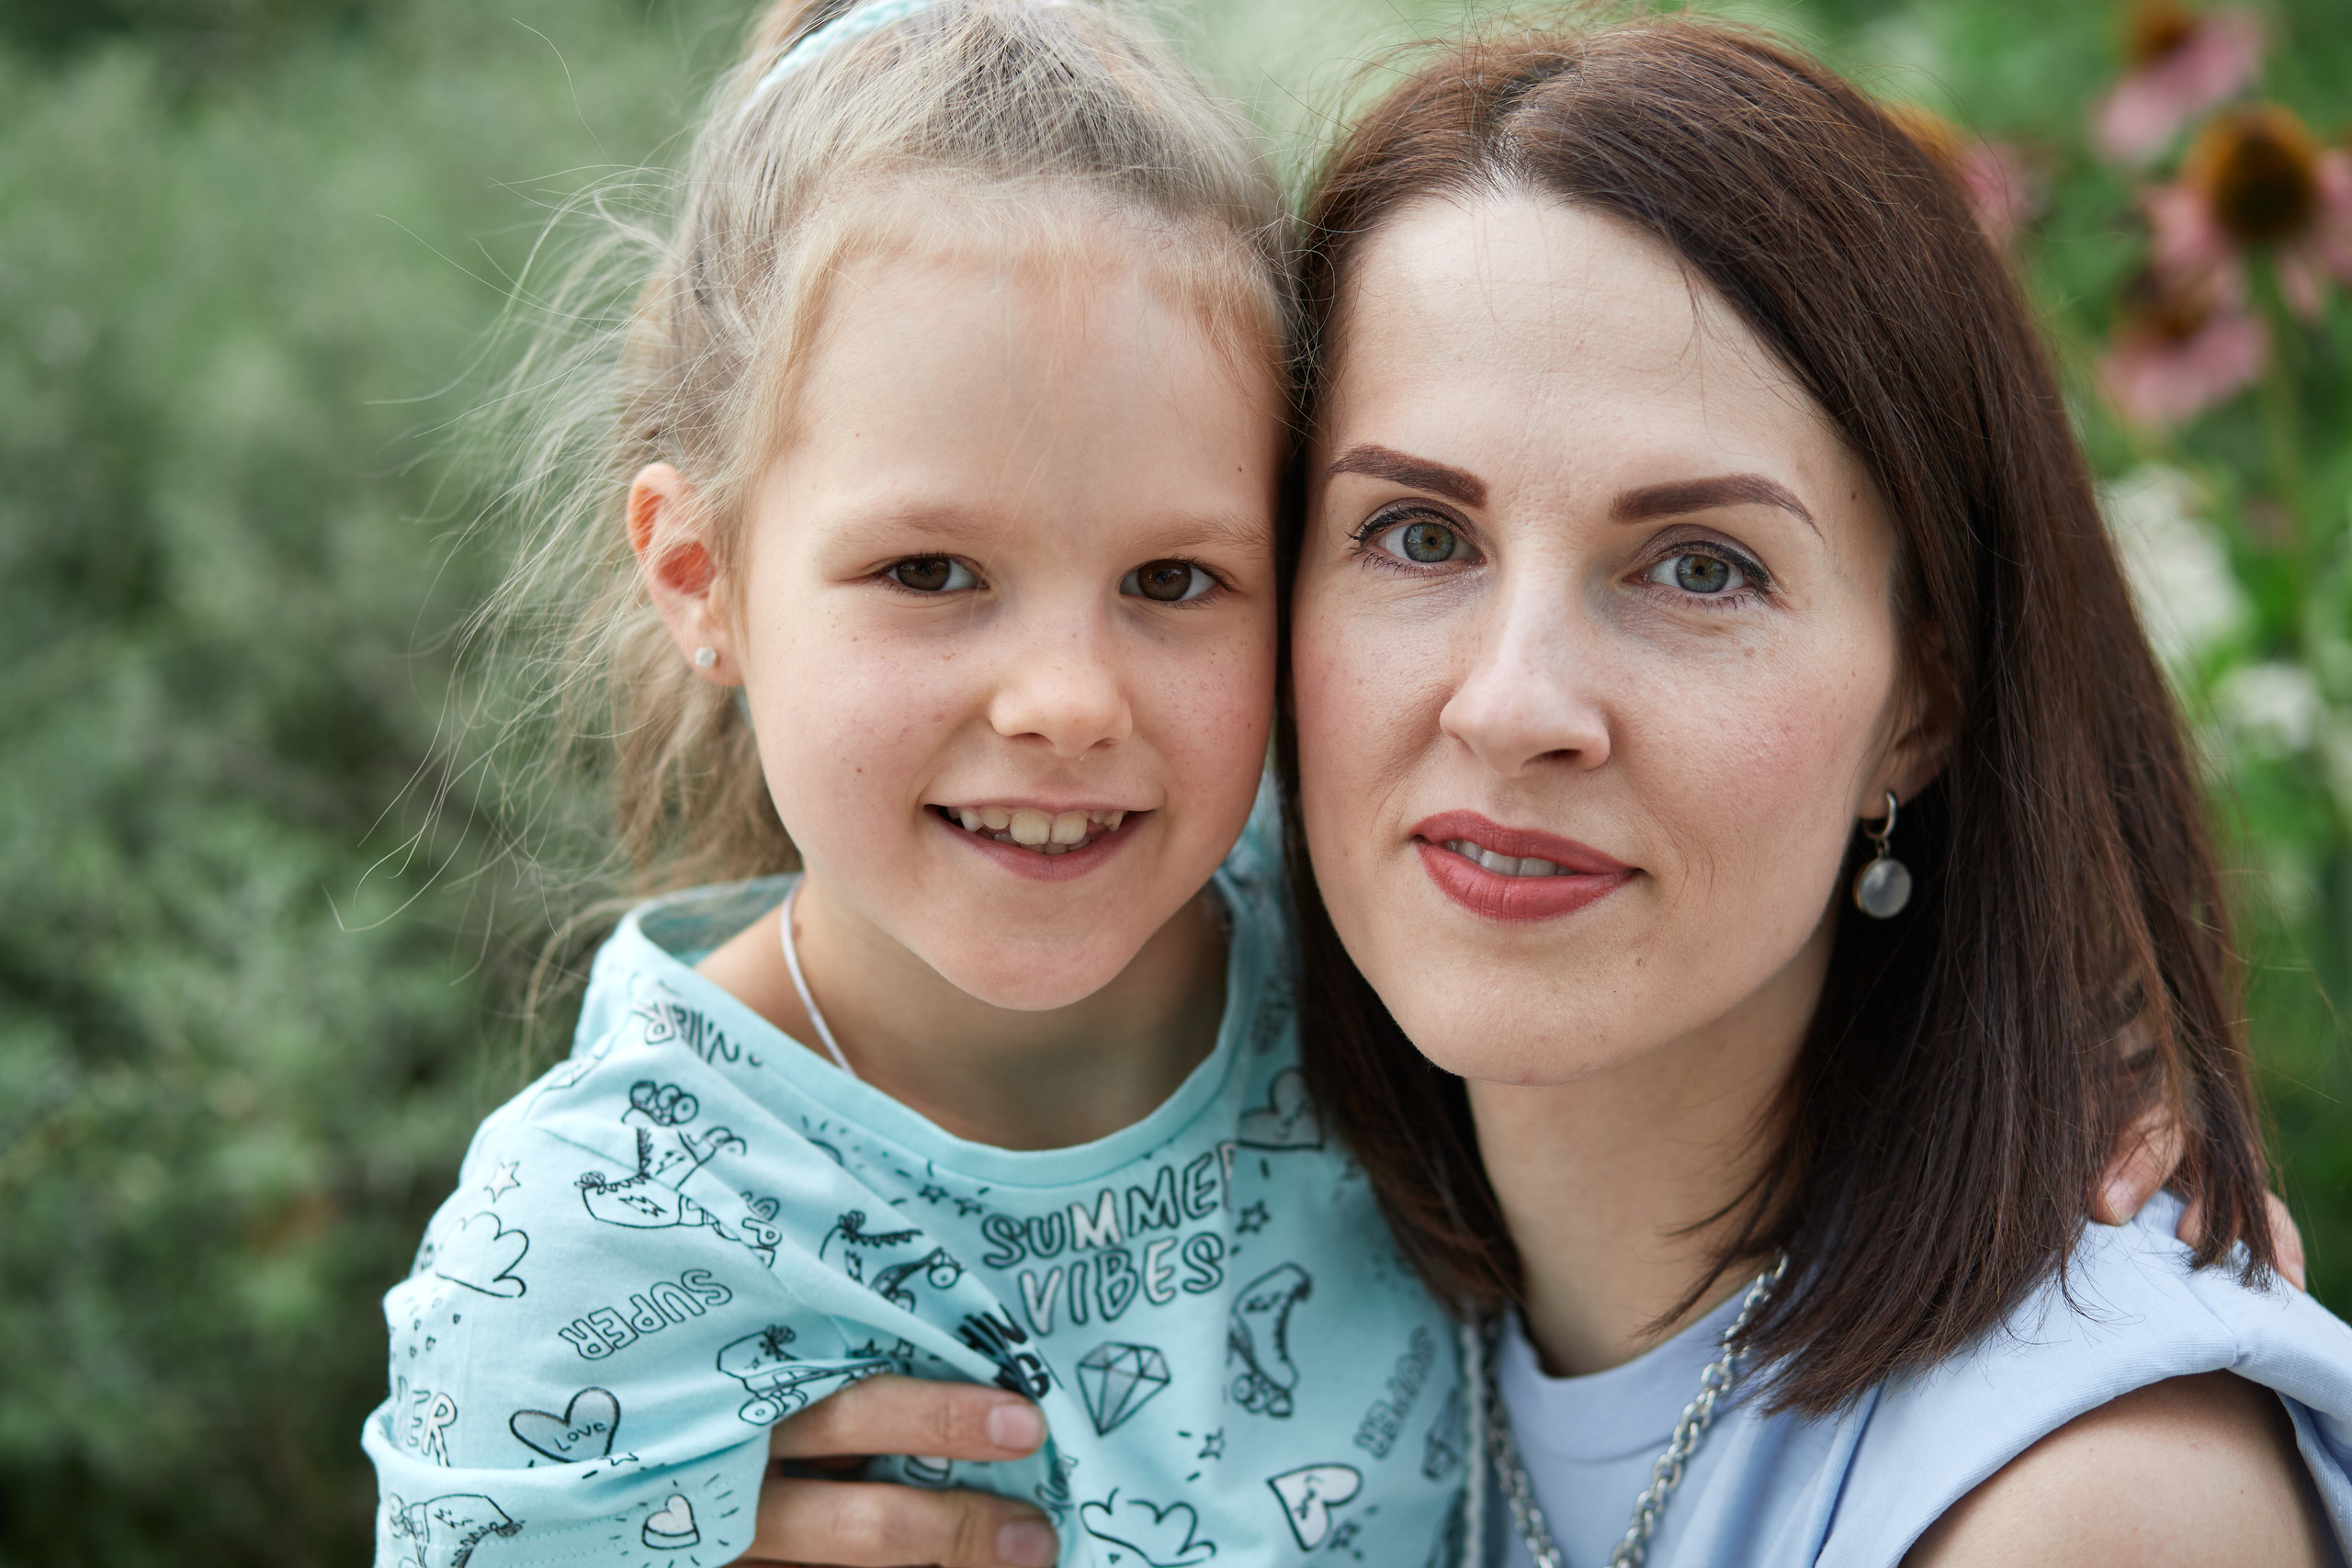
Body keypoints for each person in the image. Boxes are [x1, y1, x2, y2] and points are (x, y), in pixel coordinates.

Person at [361, 3, 1468, 1564]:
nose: (1069, 702)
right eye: (932, 569)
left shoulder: (1400, 977)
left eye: (1174, 576)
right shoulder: (583, 1255)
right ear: (702, 576)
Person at [1273, 16, 2352, 1565]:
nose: (1513, 705)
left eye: (1701, 567)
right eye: (1419, 536)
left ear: (1923, 705)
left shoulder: (2089, 1500)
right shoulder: (1257, 1277)